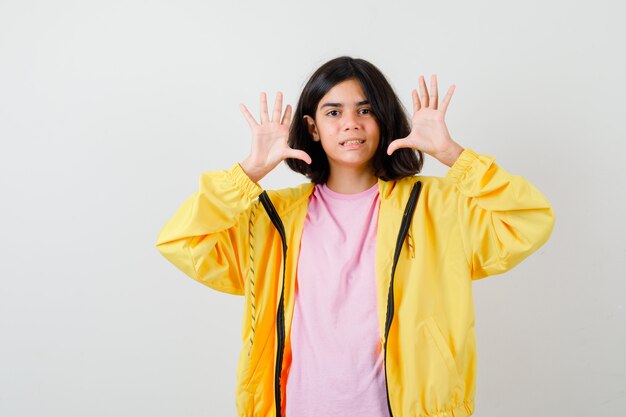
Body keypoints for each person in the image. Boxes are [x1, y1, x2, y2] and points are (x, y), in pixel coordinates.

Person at [155, 56, 555, 417]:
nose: (351, 122)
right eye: (333, 111)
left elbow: (528, 220)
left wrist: (452, 154)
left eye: (365, 109)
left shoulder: (435, 204)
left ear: (382, 119)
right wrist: (248, 172)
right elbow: (182, 241)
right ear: (311, 126)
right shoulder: (274, 217)